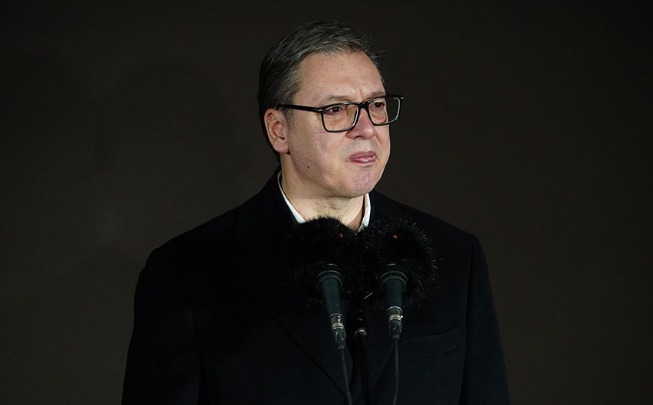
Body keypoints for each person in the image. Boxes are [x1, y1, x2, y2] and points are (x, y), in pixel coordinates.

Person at [122, 20, 510, 404]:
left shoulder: (454, 256)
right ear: (279, 130)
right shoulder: (187, 273)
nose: (367, 128)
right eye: (337, 109)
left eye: (375, 105)